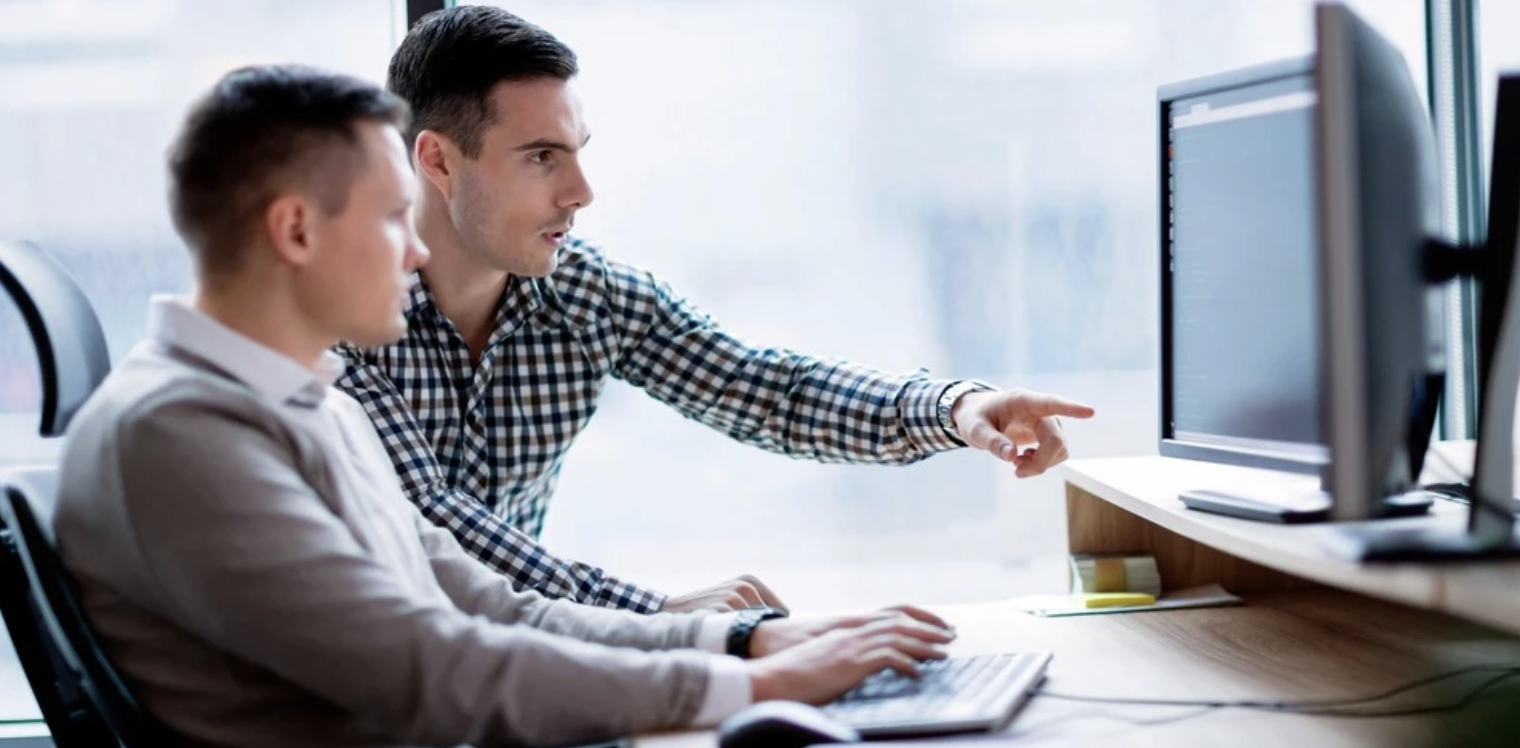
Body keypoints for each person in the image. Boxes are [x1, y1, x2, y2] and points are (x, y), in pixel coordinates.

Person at [54, 64, 956, 748]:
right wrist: (758, 690)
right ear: (295, 229)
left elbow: (495, 609)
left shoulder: (309, 405)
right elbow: (429, 669)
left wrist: (743, 644)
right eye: (391, 218)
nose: (415, 253)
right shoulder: (172, 433)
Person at [337, 4, 1098, 615]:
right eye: (542, 157)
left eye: (577, 151)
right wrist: (657, 613)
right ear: (437, 160)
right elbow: (430, 525)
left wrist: (956, 407)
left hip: (516, 664)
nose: (581, 192)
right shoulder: (338, 315)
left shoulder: (586, 295)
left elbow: (767, 390)